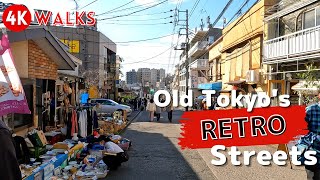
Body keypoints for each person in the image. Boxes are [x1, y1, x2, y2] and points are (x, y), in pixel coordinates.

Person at [304, 90, 320, 180]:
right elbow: (299, 127)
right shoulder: (311, 109)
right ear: (319, 95)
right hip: (313, 148)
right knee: (313, 176)